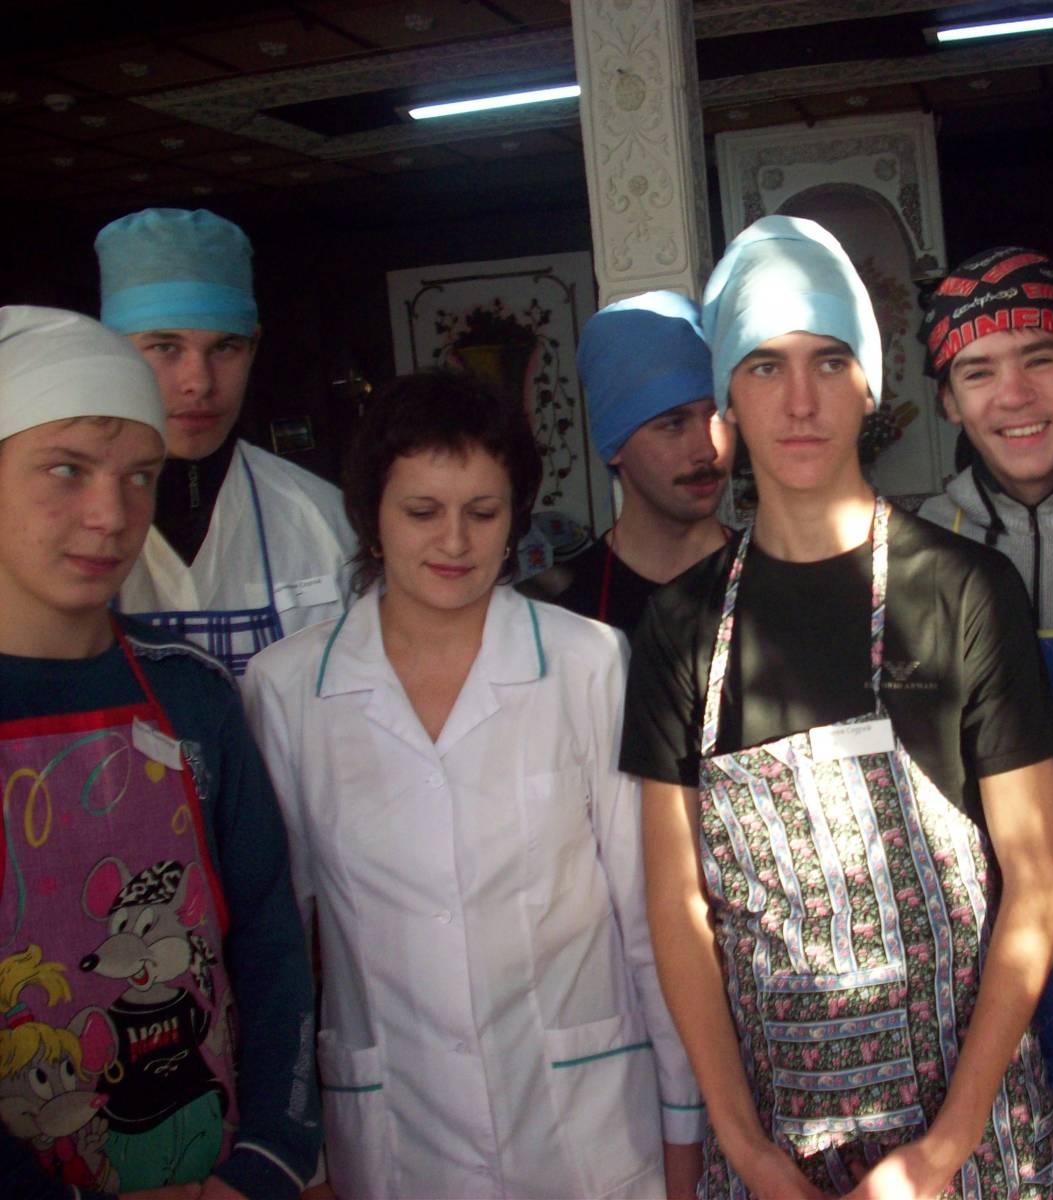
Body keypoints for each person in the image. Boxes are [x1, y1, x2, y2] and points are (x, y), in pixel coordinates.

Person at [623, 215, 1053, 1199]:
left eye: (829, 362)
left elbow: (1041, 883)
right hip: (773, 1154)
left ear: (870, 383)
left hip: (966, 1153)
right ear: (725, 401)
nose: (799, 401)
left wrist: (941, 1152)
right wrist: (746, 1148)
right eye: (764, 367)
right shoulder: (682, 627)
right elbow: (676, 906)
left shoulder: (964, 592)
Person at [241, 370, 703, 1199]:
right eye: (422, 512)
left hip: (591, 1128)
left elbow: (648, 917)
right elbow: (279, 953)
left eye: (483, 513)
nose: (454, 542)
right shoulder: (288, 690)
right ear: (371, 518)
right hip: (395, 1137)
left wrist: (683, 1130)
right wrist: (293, 1154)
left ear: (515, 518)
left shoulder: (588, 662)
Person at [0, 305, 320, 1200]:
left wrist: (267, 1160)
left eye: (140, 476)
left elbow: (269, 944)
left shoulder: (193, 698)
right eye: (66, 469)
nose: (113, 515)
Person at [917, 247, 1053, 1196]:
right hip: (987, 950)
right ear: (947, 401)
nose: (1014, 395)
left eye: (1039, 357)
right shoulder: (914, 551)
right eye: (977, 372)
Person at [96, 208, 355, 675]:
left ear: (254, 346)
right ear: (109, 351)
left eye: (225, 347)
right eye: (165, 347)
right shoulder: (48, 531)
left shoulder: (325, 520)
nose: (199, 382)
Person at [526, 290, 734, 636]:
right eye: (674, 424)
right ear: (615, 444)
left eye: (715, 416)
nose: (707, 450)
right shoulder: (560, 610)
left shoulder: (778, 580)